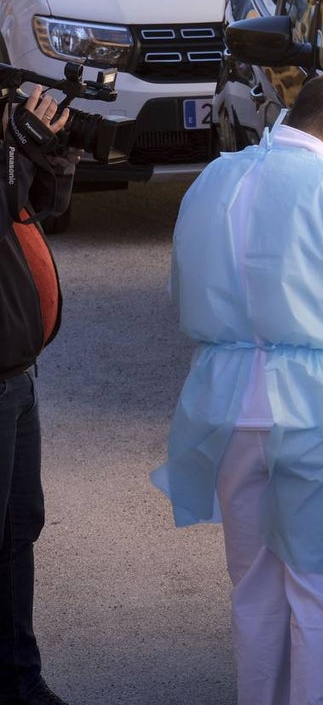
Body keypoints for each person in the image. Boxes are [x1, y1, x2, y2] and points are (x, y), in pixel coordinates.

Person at [152, 75, 323, 705]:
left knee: (255, 587)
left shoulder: (213, 180)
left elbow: (180, 289)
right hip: (321, 414)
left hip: (225, 409)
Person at [0, 85, 78, 705]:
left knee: (19, 527)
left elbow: (34, 209)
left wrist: (47, 150)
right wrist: (17, 146)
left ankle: (19, 681)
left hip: (17, 375)